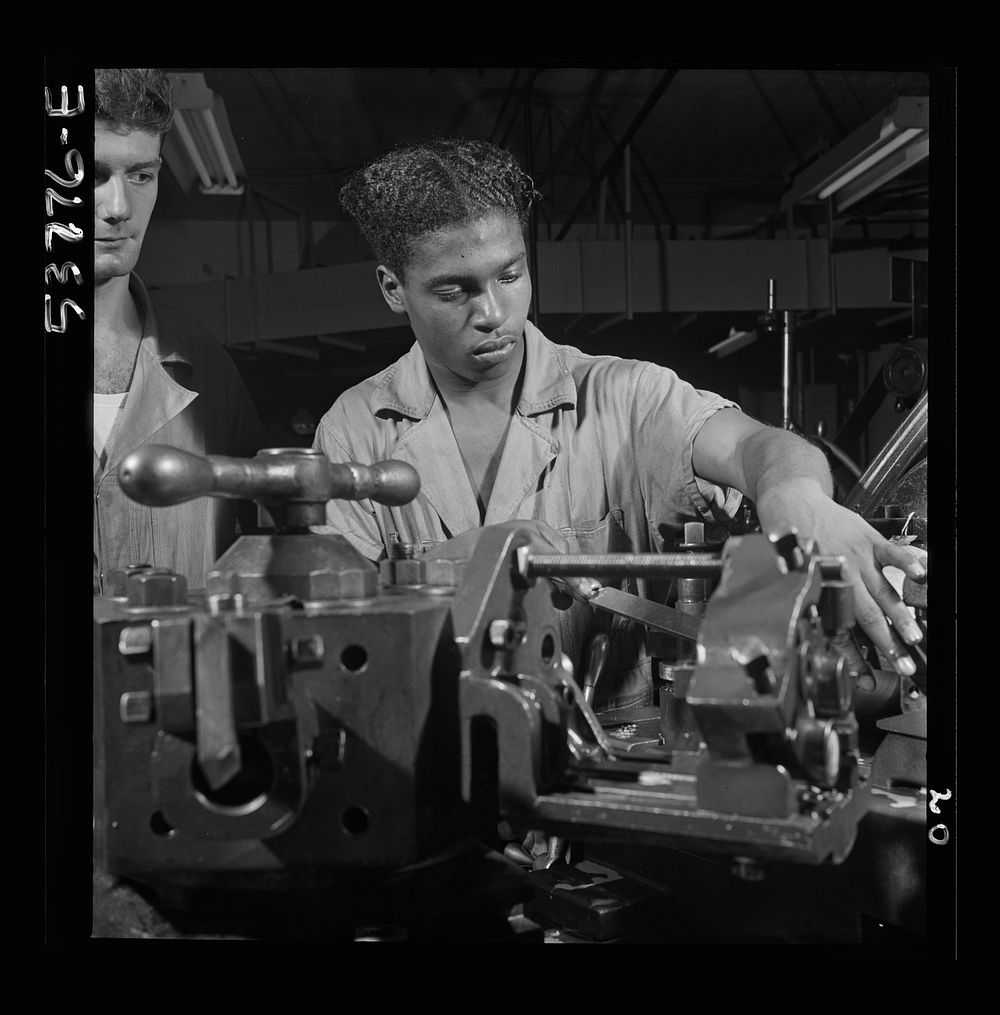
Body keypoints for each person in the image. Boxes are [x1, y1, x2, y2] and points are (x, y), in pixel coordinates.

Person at [312, 137, 926, 710]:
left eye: (510, 274)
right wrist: (452, 566)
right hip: (436, 755)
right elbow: (337, 645)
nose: (494, 312)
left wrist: (793, 492)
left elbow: (757, 448)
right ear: (394, 289)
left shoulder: (627, 396)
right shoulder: (354, 432)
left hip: (618, 755)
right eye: (454, 292)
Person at [93, 69, 266, 594]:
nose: (119, 208)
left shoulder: (203, 362)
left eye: (141, 175)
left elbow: (263, 546)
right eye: (90, 174)